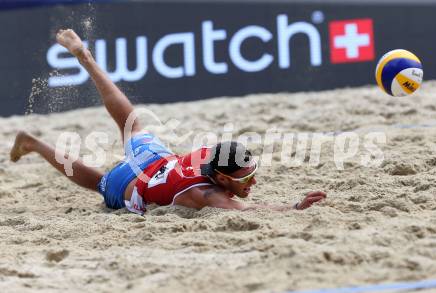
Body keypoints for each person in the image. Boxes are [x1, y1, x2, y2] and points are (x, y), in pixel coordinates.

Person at [10, 29, 326, 215]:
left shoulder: (212, 157)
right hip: (131, 183)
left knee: (131, 122)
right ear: (220, 178)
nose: (253, 183)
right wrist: (295, 206)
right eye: (245, 179)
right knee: (97, 182)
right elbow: (252, 212)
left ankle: (87, 59)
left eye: (252, 174)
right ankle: (34, 143)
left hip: (157, 160)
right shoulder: (207, 196)